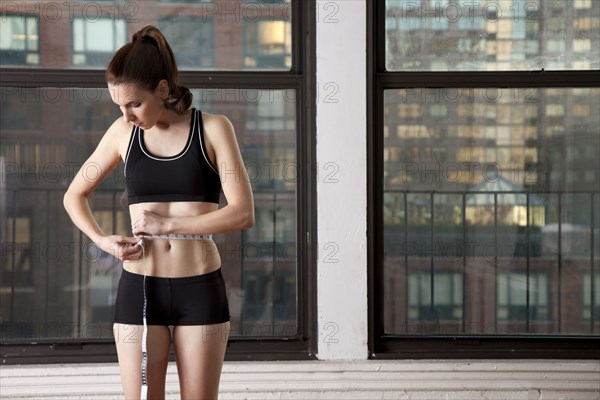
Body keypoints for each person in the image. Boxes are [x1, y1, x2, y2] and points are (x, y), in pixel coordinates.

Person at [63, 25, 254, 399]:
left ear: (163, 90)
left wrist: (168, 224)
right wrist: (105, 241)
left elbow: (243, 212)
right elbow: (74, 195)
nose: (126, 113)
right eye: (119, 105)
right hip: (140, 288)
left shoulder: (213, 129)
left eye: (134, 103)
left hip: (199, 288)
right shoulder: (122, 133)